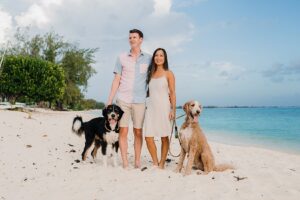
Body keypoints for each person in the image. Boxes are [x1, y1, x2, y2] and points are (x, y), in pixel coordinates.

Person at [107, 29, 151, 169]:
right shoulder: (121, 58)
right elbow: (116, 79)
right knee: (123, 131)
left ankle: (137, 160)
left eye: (134, 37)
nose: (132, 39)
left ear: (141, 39)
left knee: (138, 131)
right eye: (130, 37)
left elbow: (154, 78)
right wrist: (109, 100)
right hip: (123, 100)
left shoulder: (149, 59)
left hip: (140, 101)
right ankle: (125, 162)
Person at [144, 48, 176, 169]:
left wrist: (173, 110)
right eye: (156, 55)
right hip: (151, 108)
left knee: (164, 136)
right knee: (148, 137)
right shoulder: (150, 73)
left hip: (164, 108)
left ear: (165, 58)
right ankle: (155, 162)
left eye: (161, 55)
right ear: (153, 58)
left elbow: (172, 92)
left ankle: (162, 163)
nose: (158, 57)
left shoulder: (169, 73)